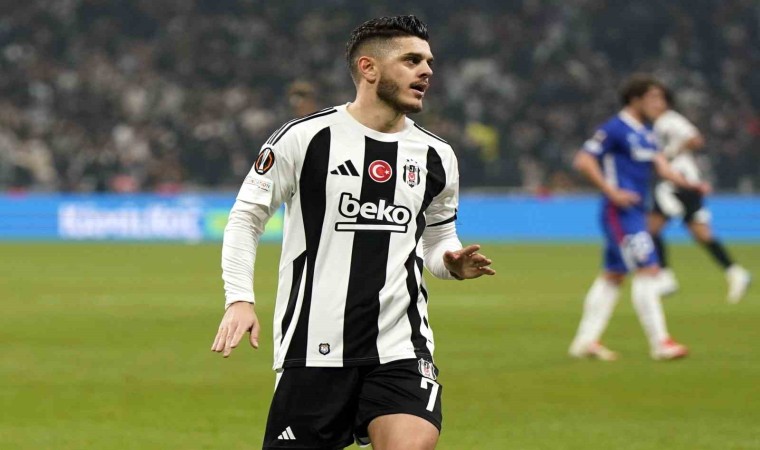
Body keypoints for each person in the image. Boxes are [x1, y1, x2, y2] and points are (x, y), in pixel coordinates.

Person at [211, 15, 495, 450]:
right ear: (369, 68)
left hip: (401, 346)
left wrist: (451, 263)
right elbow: (246, 218)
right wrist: (239, 298)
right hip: (313, 347)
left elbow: (438, 239)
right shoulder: (304, 139)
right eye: (411, 60)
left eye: (429, 62)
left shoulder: (437, 156)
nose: (426, 71)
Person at [568, 74, 710, 362]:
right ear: (635, 99)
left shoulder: (647, 132)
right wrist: (612, 191)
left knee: (614, 275)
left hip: (635, 211)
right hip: (620, 211)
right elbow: (583, 160)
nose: (661, 104)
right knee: (648, 269)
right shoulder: (615, 128)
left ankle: (585, 342)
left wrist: (690, 184)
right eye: (654, 98)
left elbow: (662, 166)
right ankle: (661, 343)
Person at [648, 92, 751, 303]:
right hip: (680, 181)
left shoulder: (671, 120)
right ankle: (735, 272)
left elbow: (696, 140)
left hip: (679, 181)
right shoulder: (655, 123)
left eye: (656, 100)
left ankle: (665, 278)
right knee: (700, 233)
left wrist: (672, 153)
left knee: (652, 228)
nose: (652, 104)